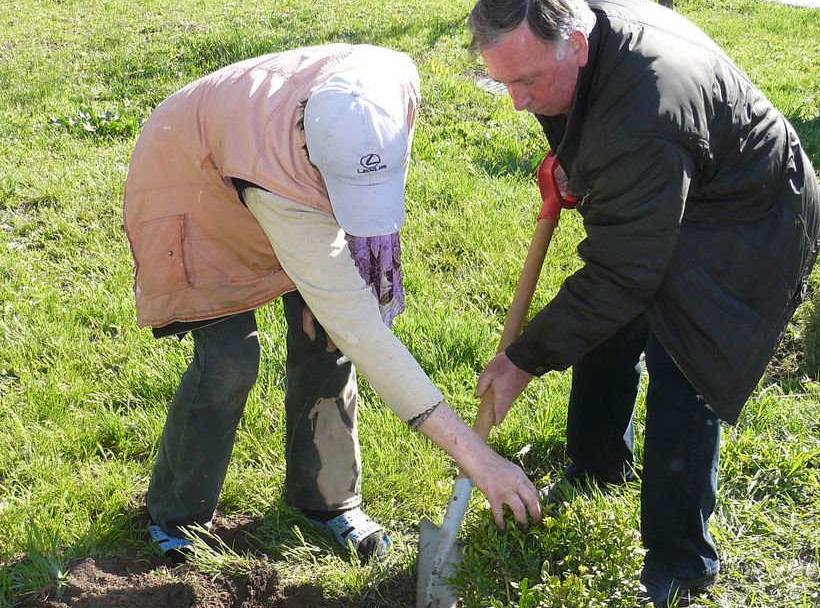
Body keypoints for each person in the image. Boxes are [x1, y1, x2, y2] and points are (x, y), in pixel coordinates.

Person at [467, 0, 820, 608]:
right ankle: (595, 466)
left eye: (526, 82)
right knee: (605, 324)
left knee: (686, 369)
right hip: (685, 182)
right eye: (504, 82)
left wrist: (524, 357)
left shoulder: (640, 124)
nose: (517, 103)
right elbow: (619, 253)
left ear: (575, 43)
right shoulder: (586, 23)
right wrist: (579, 164)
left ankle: (679, 562)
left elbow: (624, 272)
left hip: (752, 219)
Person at [124, 45, 540, 562]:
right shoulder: (275, 177)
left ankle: (325, 498)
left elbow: (344, 325)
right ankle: (177, 514)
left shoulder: (394, 83)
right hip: (191, 175)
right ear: (311, 154)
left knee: (325, 339)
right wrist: (477, 457)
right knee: (230, 360)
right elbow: (363, 332)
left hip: (264, 155)